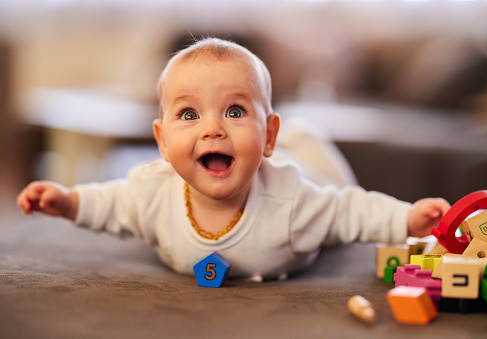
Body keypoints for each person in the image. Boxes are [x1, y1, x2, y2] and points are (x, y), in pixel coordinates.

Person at [17, 37, 449, 281]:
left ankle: (296, 135)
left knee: (331, 186)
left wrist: (408, 218)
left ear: (267, 136)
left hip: (314, 172)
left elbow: (351, 209)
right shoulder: (152, 190)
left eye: (235, 111)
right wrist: (69, 202)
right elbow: (112, 203)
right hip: (276, 152)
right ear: (162, 142)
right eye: (189, 114)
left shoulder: (293, 200)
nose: (213, 129)